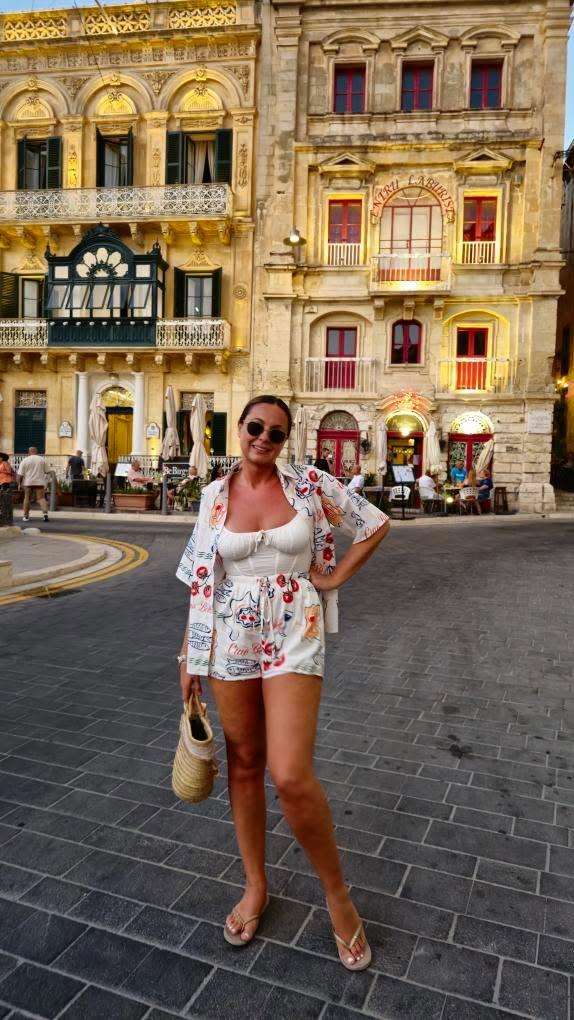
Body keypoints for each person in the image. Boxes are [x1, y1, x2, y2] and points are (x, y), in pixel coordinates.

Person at [176, 395, 390, 971]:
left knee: (290, 774)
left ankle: (337, 896)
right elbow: (201, 579)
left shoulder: (309, 485)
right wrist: (191, 655)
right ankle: (255, 886)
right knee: (244, 761)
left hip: (295, 627)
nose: (263, 439)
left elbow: (373, 524)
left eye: (275, 432)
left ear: (285, 438)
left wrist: (334, 575)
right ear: (239, 430)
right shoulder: (214, 497)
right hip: (230, 636)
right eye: (255, 428)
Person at [17, 446, 49, 522]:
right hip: (39, 482)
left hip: (28, 482)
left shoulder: (25, 460)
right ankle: (45, 514)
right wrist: (46, 482)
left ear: (29, 452)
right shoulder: (42, 460)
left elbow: (20, 475)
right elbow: (47, 471)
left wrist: (19, 483)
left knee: (27, 498)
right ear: (36, 451)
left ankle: (26, 516)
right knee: (41, 498)